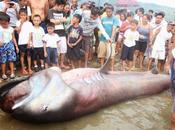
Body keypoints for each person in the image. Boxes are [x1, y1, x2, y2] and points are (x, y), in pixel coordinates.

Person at [48, 0, 69, 69]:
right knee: (56, 50)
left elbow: (65, 20)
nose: (62, 8)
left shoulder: (63, 12)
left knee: (63, 49)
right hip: (54, 33)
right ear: (56, 5)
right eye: (61, 6)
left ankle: (61, 63)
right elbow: (52, 21)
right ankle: (56, 64)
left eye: (63, 6)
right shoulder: (50, 11)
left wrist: (57, 21)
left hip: (62, 32)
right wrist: (60, 20)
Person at [98, 5, 119, 71]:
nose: (108, 13)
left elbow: (114, 29)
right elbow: (101, 28)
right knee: (102, 54)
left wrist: (111, 38)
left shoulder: (115, 19)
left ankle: (112, 68)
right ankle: (102, 67)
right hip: (102, 39)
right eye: (107, 11)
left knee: (111, 55)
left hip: (111, 40)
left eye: (109, 11)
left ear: (112, 11)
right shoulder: (103, 18)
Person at [0, 13, 19, 80]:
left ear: (8, 22)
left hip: (10, 44)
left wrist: (16, 46)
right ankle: (3, 73)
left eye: (5, 23)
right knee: (3, 60)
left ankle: (12, 73)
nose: (3, 25)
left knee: (11, 59)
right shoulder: (0, 28)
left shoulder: (11, 29)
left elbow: (13, 38)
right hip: (2, 46)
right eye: (1, 23)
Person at [15, 8, 33, 75]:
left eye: (24, 15)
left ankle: (29, 68)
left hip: (28, 42)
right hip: (21, 42)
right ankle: (23, 69)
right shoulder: (18, 22)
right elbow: (18, 32)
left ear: (26, 15)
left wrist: (29, 41)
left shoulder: (29, 23)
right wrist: (21, 24)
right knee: (22, 55)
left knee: (29, 55)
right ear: (19, 15)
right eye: (21, 15)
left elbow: (30, 33)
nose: (23, 16)